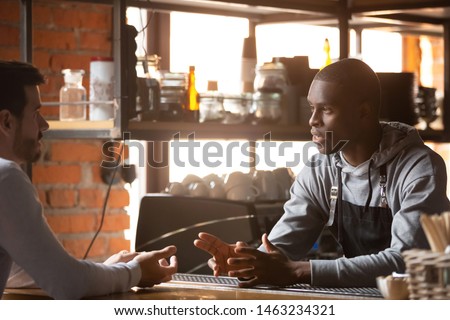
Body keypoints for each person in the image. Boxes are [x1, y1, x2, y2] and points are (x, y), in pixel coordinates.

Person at [194, 58, 450, 288]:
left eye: (326, 110)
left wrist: (300, 272)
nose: (312, 120)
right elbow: (280, 250)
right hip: (361, 298)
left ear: (363, 112)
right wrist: (247, 263)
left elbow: (404, 262)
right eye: (311, 108)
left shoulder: (419, 168)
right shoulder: (320, 169)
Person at [0, 60, 178, 299]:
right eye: (35, 113)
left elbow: (22, 273)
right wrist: (135, 272)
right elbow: (67, 283)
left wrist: (111, 270)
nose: (44, 125)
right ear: (7, 122)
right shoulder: (6, 178)